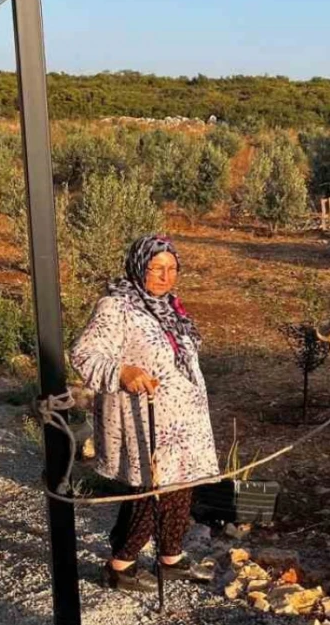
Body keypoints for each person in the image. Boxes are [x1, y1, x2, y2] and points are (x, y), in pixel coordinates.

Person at [72, 234, 218, 592]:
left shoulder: (171, 308)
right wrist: (123, 373)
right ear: (139, 267)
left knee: (181, 486)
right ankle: (119, 565)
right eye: (156, 268)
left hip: (183, 421)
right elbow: (84, 354)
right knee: (151, 490)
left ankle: (171, 559)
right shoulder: (116, 306)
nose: (165, 276)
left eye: (172, 268)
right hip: (142, 419)